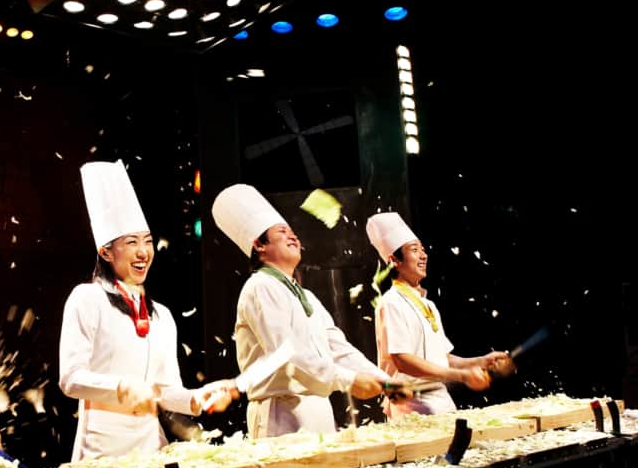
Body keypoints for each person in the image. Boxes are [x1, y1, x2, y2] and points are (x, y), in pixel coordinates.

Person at [59, 160, 237, 461]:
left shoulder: (161, 315)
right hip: (101, 453)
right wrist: (121, 386)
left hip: (152, 453)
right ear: (105, 251)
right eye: (131, 243)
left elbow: (165, 390)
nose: (143, 253)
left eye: (148, 242)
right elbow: (71, 378)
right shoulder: (87, 299)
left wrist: (197, 397)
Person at [210, 184, 386, 438]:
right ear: (259, 245)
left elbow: (336, 345)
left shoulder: (307, 296)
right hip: (281, 413)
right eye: (282, 232)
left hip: (319, 410)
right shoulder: (260, 286)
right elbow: (287, 354)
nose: (294, 237)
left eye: (293, 232)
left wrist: (380, 378)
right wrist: (348, 380)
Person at [367, 211, 510, 418]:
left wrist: (480, 361)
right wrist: (461, 376)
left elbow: (442, 359)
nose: (423, 255)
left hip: (441, 399)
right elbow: (403, 361)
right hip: (410, 403)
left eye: (423, 249)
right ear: (394, 260)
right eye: (414, 250)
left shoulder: (428, 304)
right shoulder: (391, 302)